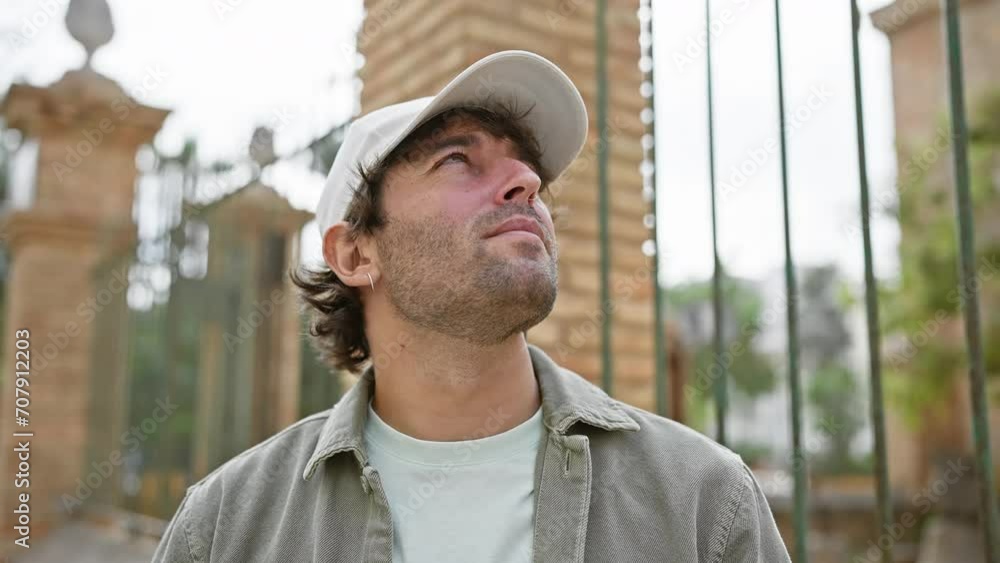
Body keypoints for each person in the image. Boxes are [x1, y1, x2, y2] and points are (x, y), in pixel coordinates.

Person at [151, 50, 791, 563]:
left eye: (527, 168)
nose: (528, 183)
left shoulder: (704, 501)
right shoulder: (227, 526)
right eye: (458, 159)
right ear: (354, 254)